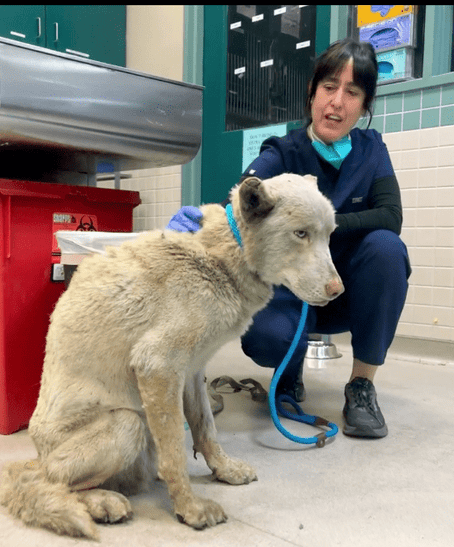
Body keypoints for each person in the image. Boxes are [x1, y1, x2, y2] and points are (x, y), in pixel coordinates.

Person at [167, 38, 412, 439]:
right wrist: (205, 220)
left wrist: (324, 227)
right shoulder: (283, 150)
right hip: (290, 296)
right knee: (268, 337)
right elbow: (247, 192)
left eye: (352, 92)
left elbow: (390, 215)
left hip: (345, 288)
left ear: (364, 105)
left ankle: (361, 386)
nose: (337, 102)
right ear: (312, 92)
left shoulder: (372, 149)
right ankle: (289, 370)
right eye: (329, 87)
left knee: (386, 247)